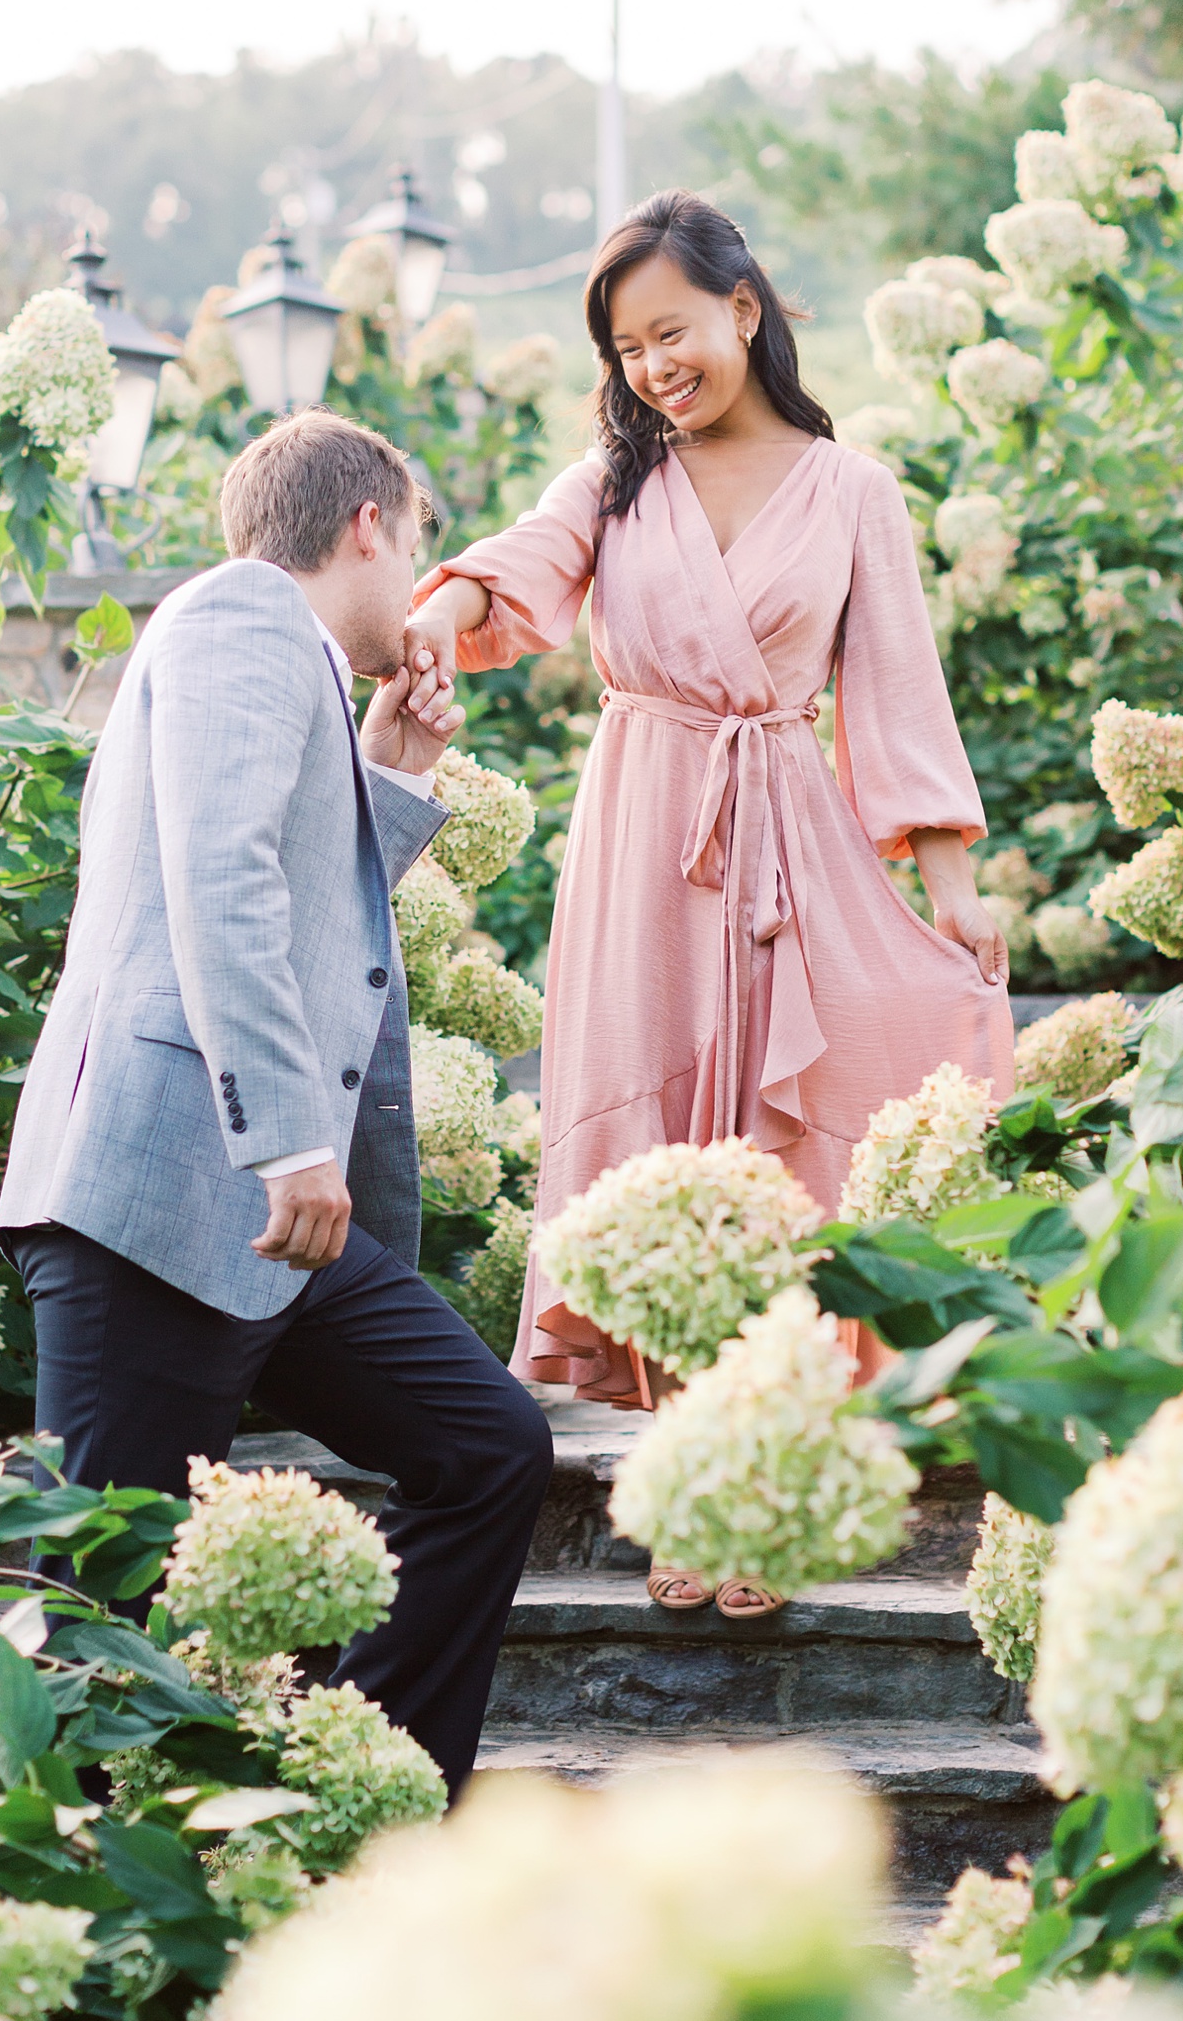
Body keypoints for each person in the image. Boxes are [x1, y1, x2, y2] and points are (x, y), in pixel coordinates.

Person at [408, 191, 1011, 1619]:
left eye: (671, 330)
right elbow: (521, 570)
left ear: (746, 309)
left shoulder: (851, 489)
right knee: (656, 1146)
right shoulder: (612, 486)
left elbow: (897, 698)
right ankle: (690, 1470)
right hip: (640, 843)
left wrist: (958, 894)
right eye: (626, 347)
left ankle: (769, 1477)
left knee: (791, 1145)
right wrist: (435, 615)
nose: (652, 366)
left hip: (787, 834)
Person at [0, 408, 553, 1795]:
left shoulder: (282, 657)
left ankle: (345, 1789)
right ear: (369, 524)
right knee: (100, 1607)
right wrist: (291, 1137)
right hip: (165, 1188)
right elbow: (222, 883)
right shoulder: (241, 617)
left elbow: (293, 895)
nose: (416, 587)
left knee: (489, 1448)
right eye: (414, 546)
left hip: (254, 1217)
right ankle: (69, 1911)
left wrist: (389, 777)